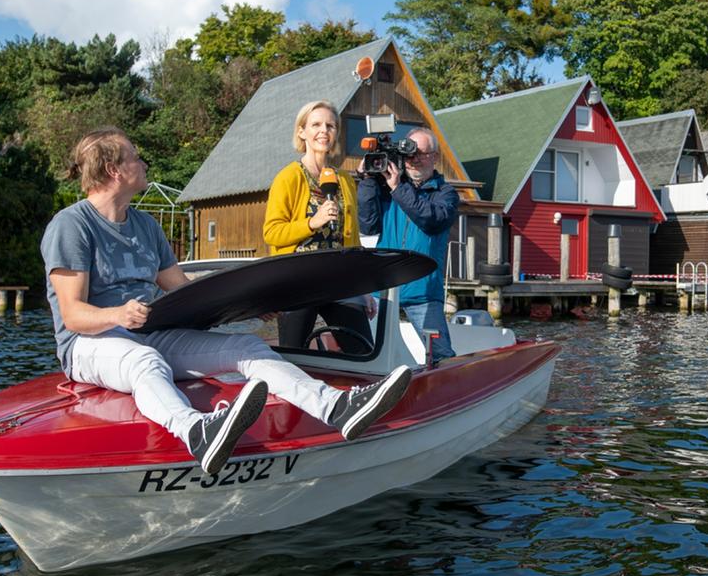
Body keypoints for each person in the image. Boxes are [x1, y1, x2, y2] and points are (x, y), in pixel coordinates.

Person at [41, 126, 411, 475]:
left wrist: (245, 304)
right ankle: (197, 432)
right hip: (90, 344)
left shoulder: (145, 226)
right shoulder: (72, 226)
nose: (144, 165)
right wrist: (119, 314)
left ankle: (336, 407)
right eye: (136, 158)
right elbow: (73, 316)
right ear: (113, 170)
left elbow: (183, 291)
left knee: (248, 346)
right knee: (144, 361)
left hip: (150, 330)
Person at [264, 101, 374, 354]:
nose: (324, 130)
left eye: (330, 125)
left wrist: (364, 289)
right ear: (302, 132)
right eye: (316, 124)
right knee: (295, 356)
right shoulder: (288, 177)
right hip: (297, 280)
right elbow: (272, 233)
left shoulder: (345, 180)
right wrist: (313, 222)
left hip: (339, 279)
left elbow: (353, 240)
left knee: (364, 352)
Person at [358, 126, 460, 364]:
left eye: (420, 153)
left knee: (441, 356)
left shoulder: (446, 194)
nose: (414, 159)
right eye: (409, 153)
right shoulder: (387, 188)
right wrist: (367, 181)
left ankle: (444, 393)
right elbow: (368, 224)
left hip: (422, 290)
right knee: (362, 349)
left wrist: (397, 188)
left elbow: (430, 220)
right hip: (382, 288)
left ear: (435, 157)